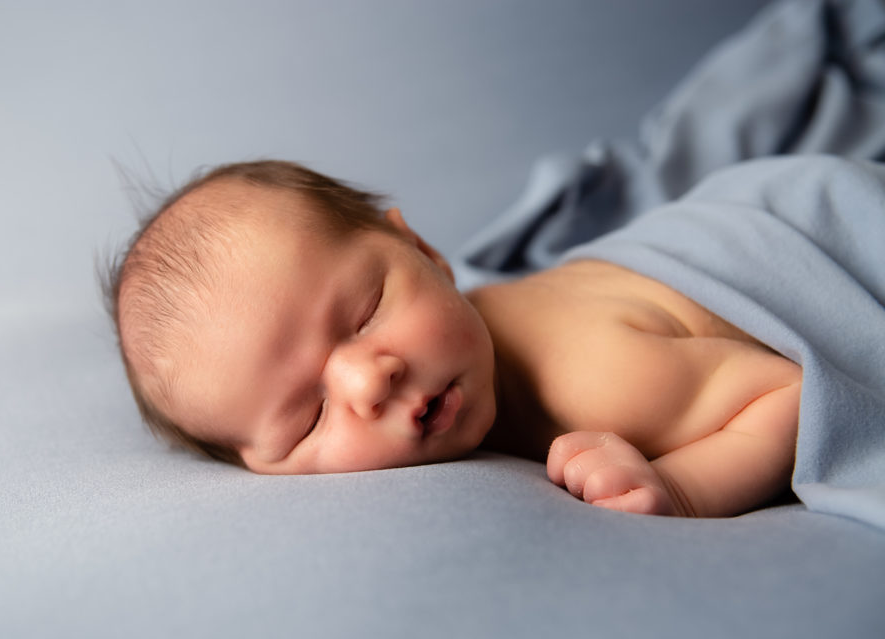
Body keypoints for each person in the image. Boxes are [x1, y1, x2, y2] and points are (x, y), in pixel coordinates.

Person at [104, 159, 801, 518]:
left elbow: (790, 390)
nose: (368, 380)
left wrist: (682, 487)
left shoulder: (604, 379)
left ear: (429, 253)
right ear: (261, 465)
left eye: (367, 310)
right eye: (307, 416)